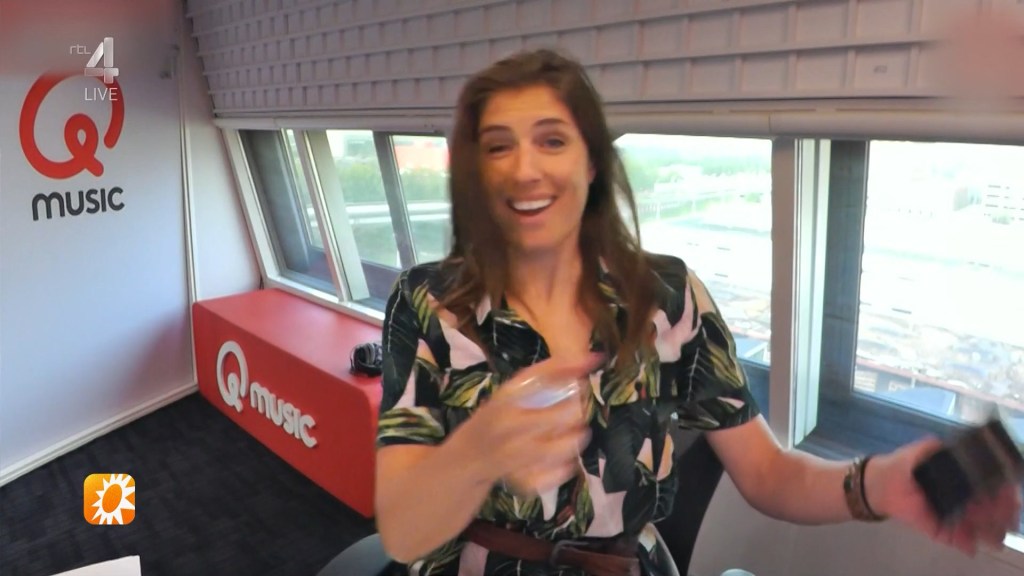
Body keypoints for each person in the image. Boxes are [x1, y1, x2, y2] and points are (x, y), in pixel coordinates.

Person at [372, 48, 1022, 576]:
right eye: (497, 147)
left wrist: (878, 483)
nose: (525, 170)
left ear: (591, 161)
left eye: (551, 140)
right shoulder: (429, 303)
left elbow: (767, 474)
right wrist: (477, 451)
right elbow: (401, 532)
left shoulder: (667, 297)